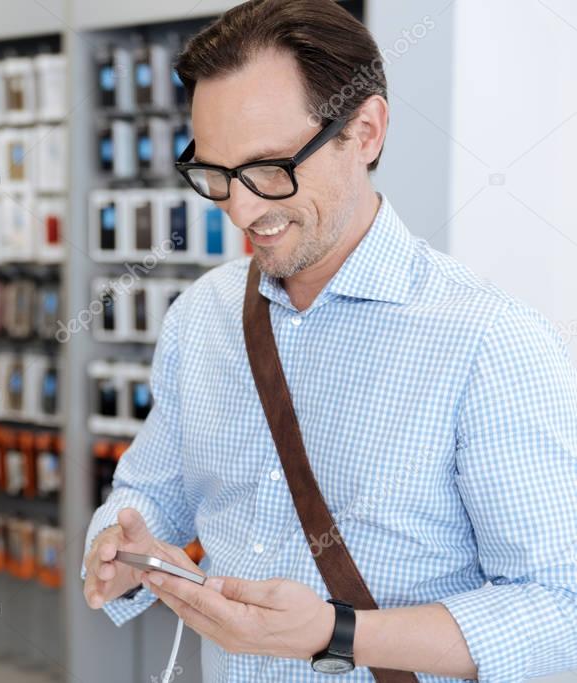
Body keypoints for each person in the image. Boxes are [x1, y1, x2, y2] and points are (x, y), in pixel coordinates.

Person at [81, 1, 577, 681]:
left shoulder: (489, 340)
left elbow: (559, 613)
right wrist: (119, 539)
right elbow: (149, 488)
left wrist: (339, 632)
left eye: (267, 168)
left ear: (364, 130)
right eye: (215, 175)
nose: (242, 209)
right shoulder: (201, 316)